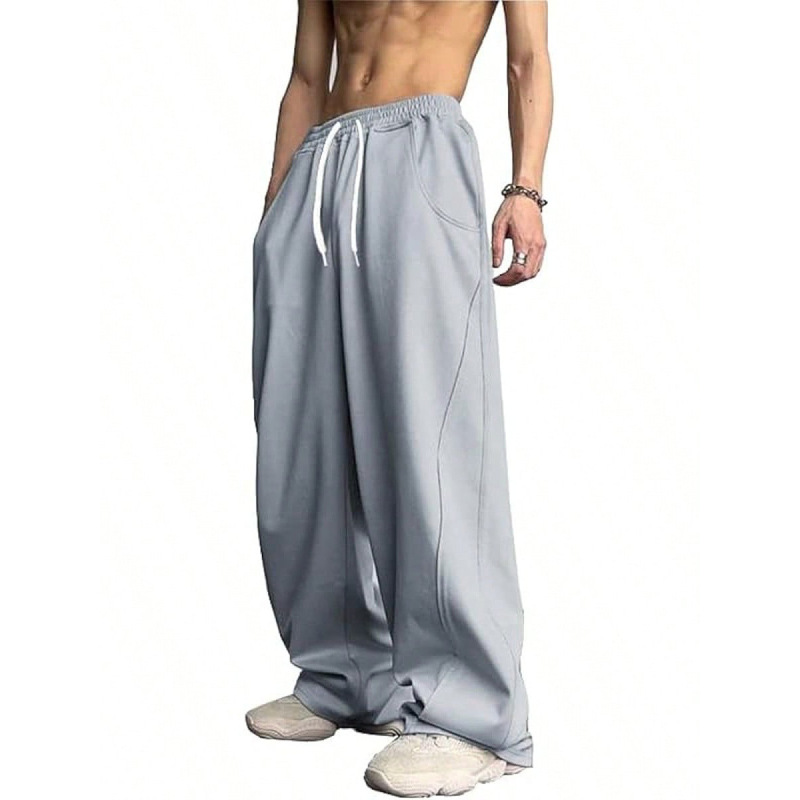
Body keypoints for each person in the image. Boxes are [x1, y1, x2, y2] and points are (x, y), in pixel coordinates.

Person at [248, 1, 552, 795]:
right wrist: (276, 207)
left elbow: (526, 58)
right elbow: (307, 76)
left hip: (420, 146)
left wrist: (525, 189)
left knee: (430, 439)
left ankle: (471, 717)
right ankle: (345, 673)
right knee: (305, 435)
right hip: (319, 165)